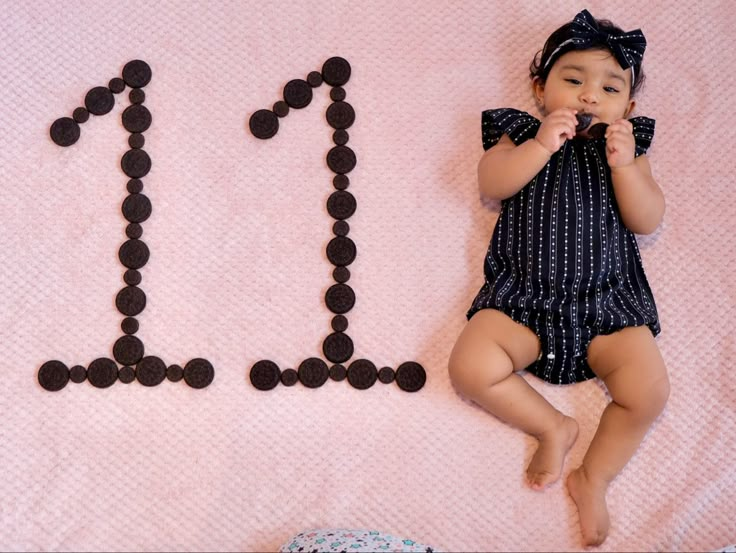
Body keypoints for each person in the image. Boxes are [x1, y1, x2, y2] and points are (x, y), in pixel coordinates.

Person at [448, 9, 669, 547]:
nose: (590, 95)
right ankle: (552, 426)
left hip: (607, 306)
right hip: (524, 300)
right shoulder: (520, 132)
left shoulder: (628, 150)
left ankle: (593, 477)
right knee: (470, 367)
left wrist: (624, 168)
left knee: (648, 392)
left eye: (609, 87)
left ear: (629, 106)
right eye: (573, 80)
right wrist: (540, 146)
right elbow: (493, 182)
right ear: (539, 87)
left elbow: (648, 219)